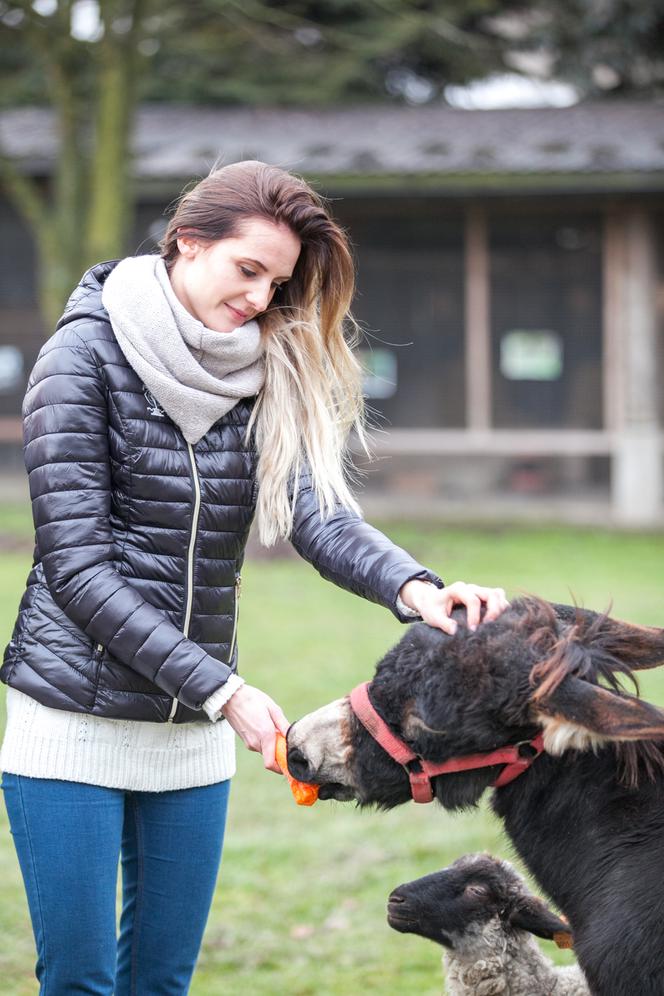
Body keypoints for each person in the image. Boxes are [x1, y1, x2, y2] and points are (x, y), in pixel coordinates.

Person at [0, 160, 508, 995]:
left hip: (190, 731)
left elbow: (320, 517)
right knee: (82, 982)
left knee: (161, 982)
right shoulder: (79, 357)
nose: (263, 299)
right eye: (248, 270)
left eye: (277, 282)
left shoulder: (264, 366)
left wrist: (420, 591)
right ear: (187, 243)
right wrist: (225, 691)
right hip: (71, 722)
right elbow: (78, 566)